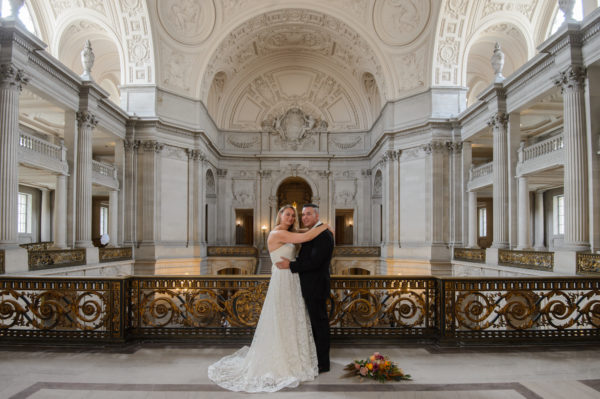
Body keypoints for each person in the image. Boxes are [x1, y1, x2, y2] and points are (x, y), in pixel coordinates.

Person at [208, 205, 331, 393]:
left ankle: (295, 355)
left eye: (293, 215)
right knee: (282, 317)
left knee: (291, 317)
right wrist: (324, 226)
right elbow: (305, 237)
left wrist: (319, 227)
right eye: (288, 214)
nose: (291, 218)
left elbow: (303, 233)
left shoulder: (288, 232)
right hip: (283, 279)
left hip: (292, 278)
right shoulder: (277, 233)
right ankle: (282, 357)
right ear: (279, 215)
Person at [275, 203, 334, 373]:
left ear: (316, 216)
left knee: (319, 324)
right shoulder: (315, 232)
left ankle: (323, 363)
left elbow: (314, 262)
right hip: (309, 285)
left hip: (316, 286)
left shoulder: (322, 235)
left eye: (308, 214)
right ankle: (316, 358)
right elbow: (303, 238)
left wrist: (291, 266)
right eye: (303, 215)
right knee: (314, 324)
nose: (303, 218)